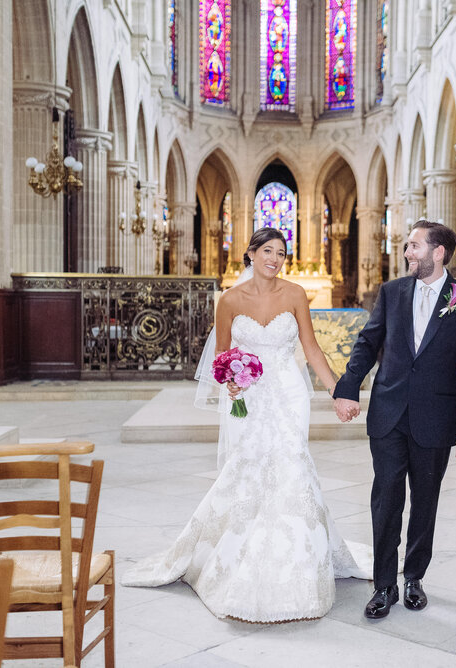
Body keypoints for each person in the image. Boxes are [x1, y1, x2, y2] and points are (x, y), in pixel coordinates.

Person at [124, 227, 367, 622]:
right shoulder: (230, 300)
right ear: (250, 253)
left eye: (281, 253)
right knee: (249, 469)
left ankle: (297, 565)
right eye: (267, 250)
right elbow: (221, 355)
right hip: (248, 397)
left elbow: (311, 348)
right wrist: (231, 380)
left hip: (289, 393)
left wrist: (337, 392)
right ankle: (240, 558)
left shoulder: (295, 295)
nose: (275, 258)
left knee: (292, 467)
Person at [333, 219, 456, 619]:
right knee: (386, 498)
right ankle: (384, 584)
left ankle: (414, 577)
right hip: (387, 413)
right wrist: (348, 386)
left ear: (438, 252)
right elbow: (369, 341)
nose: (407, 253)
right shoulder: (391, 292)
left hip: (434, 418)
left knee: (425, 501)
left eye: (414, 246)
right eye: (407, 246)